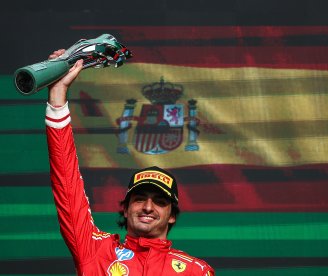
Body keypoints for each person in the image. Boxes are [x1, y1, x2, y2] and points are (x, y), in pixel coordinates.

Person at [46, 49, 215, 275]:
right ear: (125, 209)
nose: (147, 207)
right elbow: (67, 187)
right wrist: (57, 96)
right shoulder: (96, 250)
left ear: (172, 215)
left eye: (159, 202)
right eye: (139, 199)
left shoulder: (196, 271)